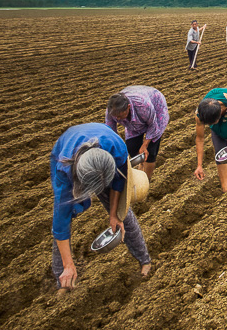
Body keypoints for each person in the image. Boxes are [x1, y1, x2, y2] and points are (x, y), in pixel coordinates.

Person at [50, 123, 151, 290]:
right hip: (66, 150)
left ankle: (144, 260)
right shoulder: (64, 174)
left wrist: (114, 215)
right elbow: (60, 225)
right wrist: (69, 264)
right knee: (62, 219)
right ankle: (62, 278)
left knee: (123, 215)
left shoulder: (117, 150)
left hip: (104, 151)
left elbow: (118, 184)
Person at [105, 86, 169, 180]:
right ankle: (141, 169)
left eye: (119, 116)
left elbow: (152, 125)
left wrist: (145, 144)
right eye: (115, 116)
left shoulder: (142, 105)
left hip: (155, 108)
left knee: (150, 153)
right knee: (132, 148)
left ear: (128, 107)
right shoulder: (111, 112)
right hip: (134, 123)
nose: (117, 119)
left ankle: (146, 181)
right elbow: (111, 132)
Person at [193, 88, 227, 192]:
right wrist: (199, 165)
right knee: (220, 155)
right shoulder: (200, 114)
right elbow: (200, 139)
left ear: (220, 115)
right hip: (218, 123)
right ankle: (226, 190)